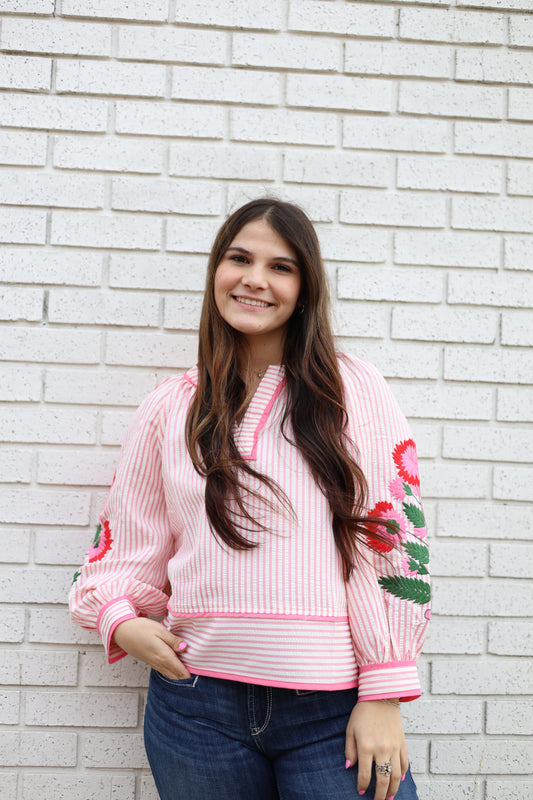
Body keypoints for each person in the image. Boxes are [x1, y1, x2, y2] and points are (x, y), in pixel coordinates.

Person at [70, 198, 430, 800]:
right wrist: (120, 621)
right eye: (239, 259)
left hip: (332, 711)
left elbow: (388, 538)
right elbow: (126, 546)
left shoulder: (353, 391)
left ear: (305, 289)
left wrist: (384, 692)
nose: (254, 279)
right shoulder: (170, 407)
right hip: (194, 707)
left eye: (280, 267)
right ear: (217, 270)